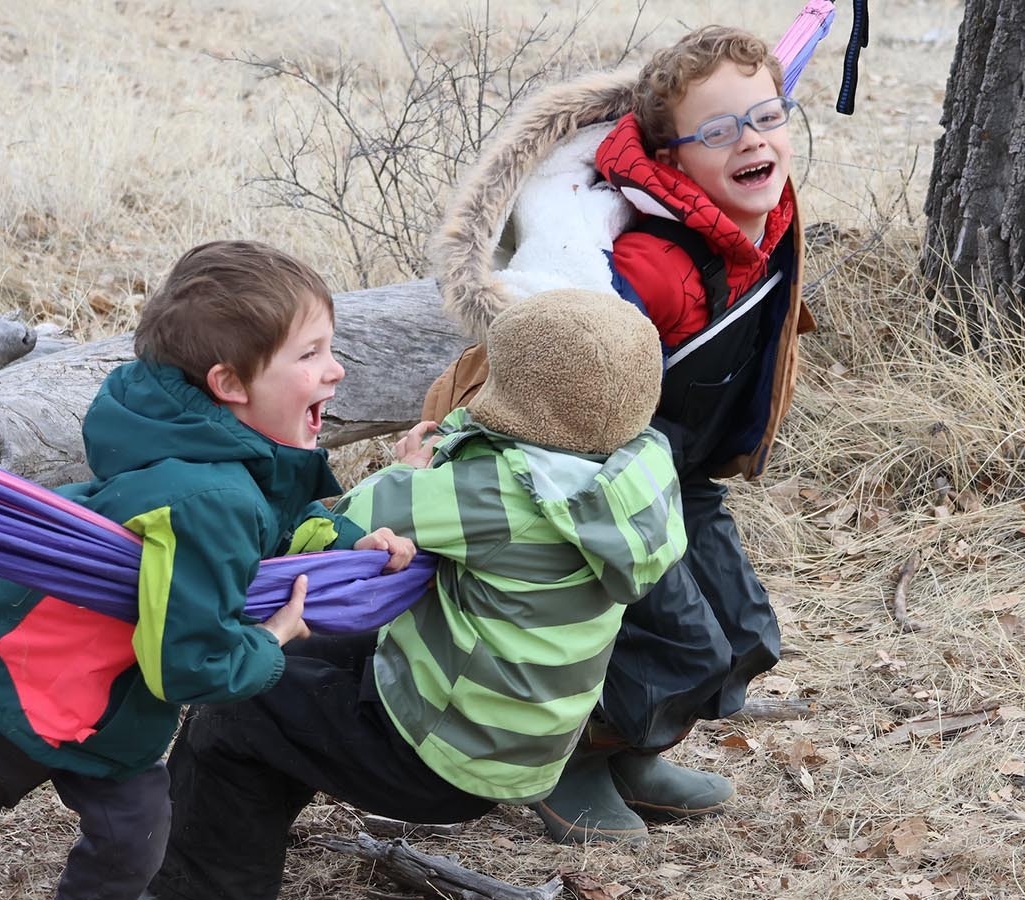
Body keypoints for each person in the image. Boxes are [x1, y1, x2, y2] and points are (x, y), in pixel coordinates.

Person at [0, 240, 415, 900]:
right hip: (16, 679)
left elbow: (284, 523)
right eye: (310, 355)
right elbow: (190, 663)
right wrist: (272, 641)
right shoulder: (213, 498)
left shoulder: (226, 447)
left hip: (107, 707)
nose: (336, 371)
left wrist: (349, 548)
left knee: (133, 844)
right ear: (230, 384)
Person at [145, 288, 690, 900]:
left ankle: (195, 889)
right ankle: (256, 818)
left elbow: (348, 525)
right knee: (302, 659)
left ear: (514, 388)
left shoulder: (489, 493)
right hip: (520, 742)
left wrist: (411, 469)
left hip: (442, 759)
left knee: (238, 708)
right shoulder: (640, 468)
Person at [423, 25, 816, 843]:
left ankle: (637, 749)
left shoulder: (762, 220)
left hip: (677, 469)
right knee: (674, 643)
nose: (751, 140)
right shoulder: (653, 267)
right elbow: (557, 372)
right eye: (718, 130)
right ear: (670, 161)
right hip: (600, 486)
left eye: (766, 117)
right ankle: (572, 764)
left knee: (740, 636)